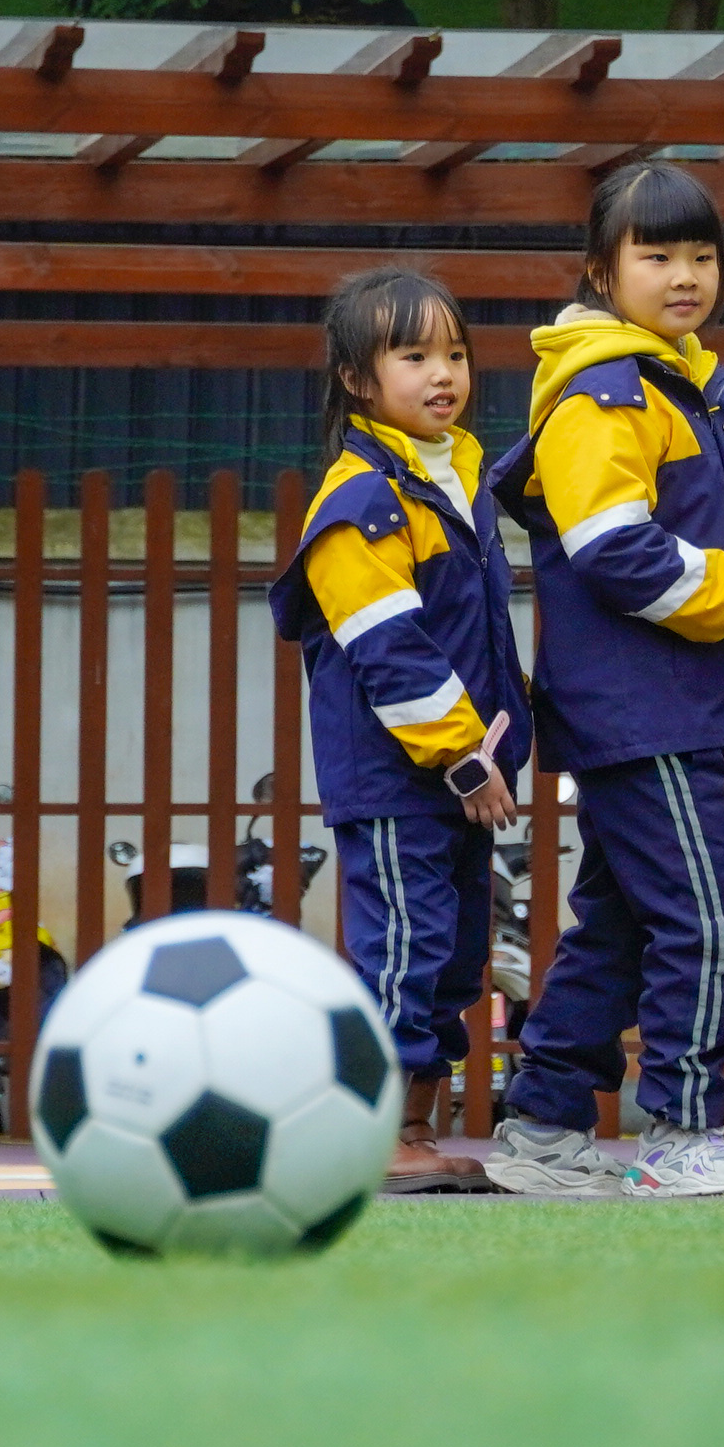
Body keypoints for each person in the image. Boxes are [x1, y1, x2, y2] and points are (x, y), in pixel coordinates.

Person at [483, 164, 724, 1197]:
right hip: (641, 708)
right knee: (706, 915)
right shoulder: (608, 392)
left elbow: (687, 535)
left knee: (622, 919)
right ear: (604, 272)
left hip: (645, 705)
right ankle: (680, 1131)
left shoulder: (658, 382)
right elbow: (615, 549)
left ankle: (543, 1128)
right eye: (657, 255)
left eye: (700, 255)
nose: (684, 275)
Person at [271, 267, 529, 1195]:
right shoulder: (361, 502)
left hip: (457, 778)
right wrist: (464, 758)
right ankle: (372, 1134)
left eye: (454, 353)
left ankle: (412, 1130)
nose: (442, 373)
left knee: (450, 958)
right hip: (399, 780)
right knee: (399, 952)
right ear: (354, 377)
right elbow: (391, 651)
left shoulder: (455, 482)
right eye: (412, 355)